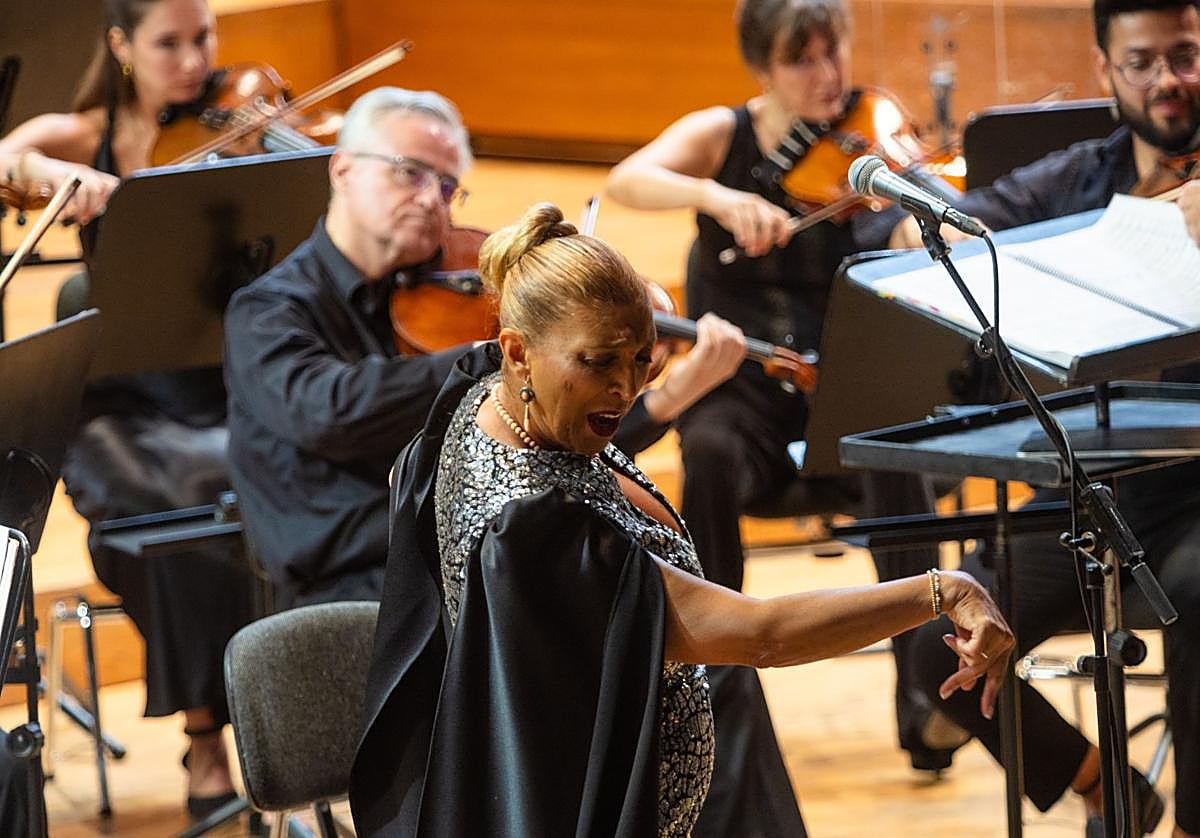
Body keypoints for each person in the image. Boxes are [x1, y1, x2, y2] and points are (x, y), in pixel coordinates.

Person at [347, 201, 1014, 837]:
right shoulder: (537, 529)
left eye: (641, 359)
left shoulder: (484, 399)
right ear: (517, 351)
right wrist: (942, 590)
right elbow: (765, 636)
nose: (624, 388)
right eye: (598, 363)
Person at [604, 0, 957, 830]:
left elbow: (920, 208)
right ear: (763, 65)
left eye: (833, 54)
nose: (827, 77)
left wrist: (912, 230)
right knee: (712, 452)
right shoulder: (721, 134)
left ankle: (931, 703)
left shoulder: (867, 135)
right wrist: (718, 198)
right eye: (804, 60)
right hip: (741, 391)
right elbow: (628, 179)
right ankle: (715, 682)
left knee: (892, 450)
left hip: (837, 383)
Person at [224, 86, 749, 609]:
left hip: (461, 551)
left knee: (642, 580)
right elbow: (328, 411)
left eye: (448, 185)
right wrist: (491, 356)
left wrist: (665, 398)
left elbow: (553, 445)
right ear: (343, 170)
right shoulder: (267, 311)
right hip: (353, 586)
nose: (432, 199)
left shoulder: (448, 291)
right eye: (409, 171)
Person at [890, 0, 1200, 834]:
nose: (1168, 81)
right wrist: (923, 223)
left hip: (1196, 489)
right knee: (936, 643)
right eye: (1142, 61)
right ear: (1106, 70)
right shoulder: (1078, 176)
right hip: (1091, 487)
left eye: (1186, 55)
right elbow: (937, 231)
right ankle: (1106, 785)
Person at [0, 0, 252, 819]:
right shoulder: (86, 133)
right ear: (121, 47)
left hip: (226, 377)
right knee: (148, 524)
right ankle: (206, 728)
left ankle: (265, 706)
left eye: (203, 38)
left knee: (251, 498)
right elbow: (8, 150)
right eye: (168, 43)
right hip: (125, 392)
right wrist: (48, 178)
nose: (192, 60)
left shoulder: (242, 120)